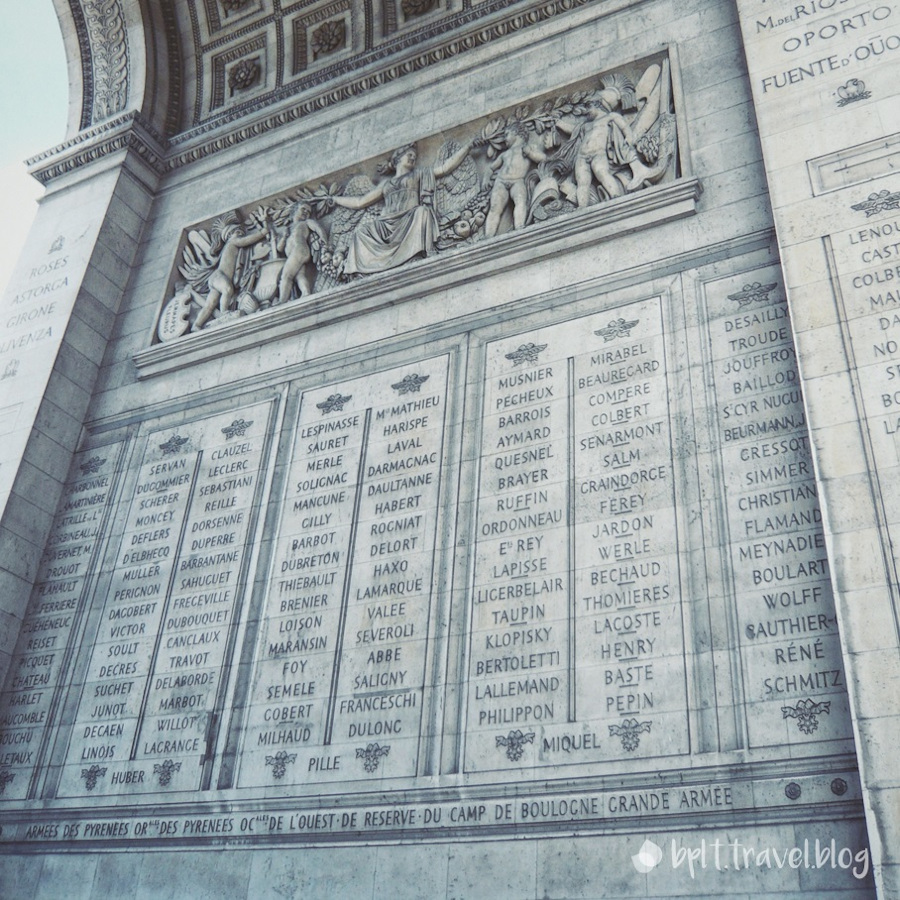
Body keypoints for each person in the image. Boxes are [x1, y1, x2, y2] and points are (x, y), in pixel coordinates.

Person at [332, 141, 472, 275]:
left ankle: (419, 252)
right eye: (409, 155)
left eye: (414, 157)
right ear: (398, 158)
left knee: (423, 211)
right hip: (387, 224)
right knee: (361, 233)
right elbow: (360, 202)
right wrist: (334, 199)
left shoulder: (418, 174)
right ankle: (364, 268)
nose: (413, 158)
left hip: (410, 219)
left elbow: (445, 168)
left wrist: (469, 146)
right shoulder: (386, 184)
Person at [192, 220, 267, 331]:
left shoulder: (229, 245)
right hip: (219, 276)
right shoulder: (232, 242)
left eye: (241, 231)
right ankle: (224, 313)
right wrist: (262, 233)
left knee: (210, 304)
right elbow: (246, 241)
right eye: (237, 231)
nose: (240, 233)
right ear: (230, 234)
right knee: (227, 289)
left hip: (216, 278)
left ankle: (197, 325)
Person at [484, 122, 548, 237]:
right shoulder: (504, 154)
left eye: (506, 134)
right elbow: (490, 168)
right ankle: (488, 236)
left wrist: (529, 153)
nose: (504, 139)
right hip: (501, 181)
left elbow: (543, 158)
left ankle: (519, 228)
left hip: (517, 181)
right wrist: (486, 179)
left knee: (520, 201)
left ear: (516, 133)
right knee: (494, 208)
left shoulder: (528, 148)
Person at [275, 201, 328, 304]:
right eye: (303, 209)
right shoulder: (288, 229)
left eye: (308, 211)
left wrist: (324, 242)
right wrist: (284, 237)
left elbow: (318, 228)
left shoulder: (306, 222)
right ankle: (306, 292)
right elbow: (279, 248)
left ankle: (282, 301)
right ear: (295, 210)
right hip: (295, 255)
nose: (306, 212)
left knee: (286, 275)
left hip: (300, 250)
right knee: (299, 276)